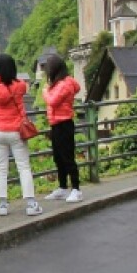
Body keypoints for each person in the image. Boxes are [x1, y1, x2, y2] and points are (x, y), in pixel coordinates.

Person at [0, 53, 42, 217]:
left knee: (1, 169)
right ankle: (30, 204)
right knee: (23, 166)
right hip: (16, 131)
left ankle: (2, 205)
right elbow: (23, 85)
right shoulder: (19, 86)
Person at [42, 56, 83, 202]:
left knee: (67, 157)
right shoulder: (61, 83)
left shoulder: (64, 84)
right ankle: (63, 187)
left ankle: (76, 189)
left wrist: (45, 91)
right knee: (59, 157)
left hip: (64, 123)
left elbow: (52, 101)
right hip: (56, 124)